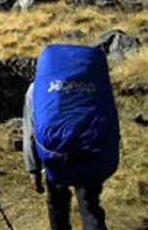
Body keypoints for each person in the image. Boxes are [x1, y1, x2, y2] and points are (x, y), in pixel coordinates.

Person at [23, 82, 109, 230]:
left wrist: (33, 170)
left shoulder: (37, 88)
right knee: (90, 209)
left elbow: (31, 132)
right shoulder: (88, 82)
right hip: (87, 152)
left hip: (55, 157)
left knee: (57, 205)